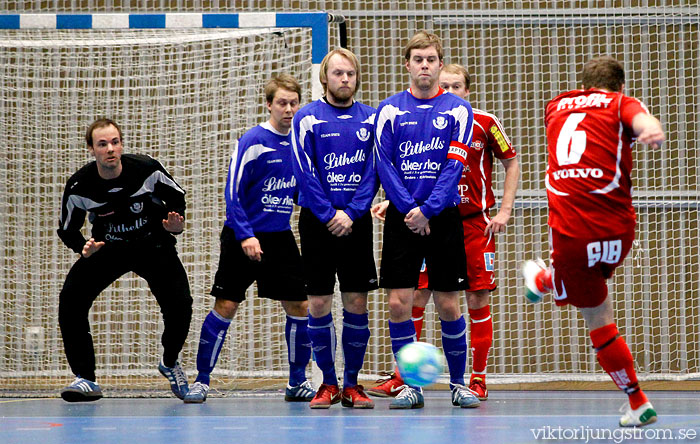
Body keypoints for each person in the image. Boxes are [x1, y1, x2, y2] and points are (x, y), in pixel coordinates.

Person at [522, 56, 664, 427]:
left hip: (572, 233)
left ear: (584, 86)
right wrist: (648, 128)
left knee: (598, 317)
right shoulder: (620, 103)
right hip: (620, 231)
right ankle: (548, 280)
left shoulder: (555, 107)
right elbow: (639, 119)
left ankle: (637, 400)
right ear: (620, 87)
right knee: (589, 281)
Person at [369, 64, 519, 402]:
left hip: (469, 222)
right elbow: (405, 165)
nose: (449, 90)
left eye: (456, 86)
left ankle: (474, 378)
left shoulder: (483, 122)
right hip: (420, 218)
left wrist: (505, 209)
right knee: (414, 297)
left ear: (467, 90)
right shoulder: (415, 116)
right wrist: (391, 203)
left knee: (471, 298)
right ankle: (406, 377)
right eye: (445, 85)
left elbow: (511, 160)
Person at [183, 75, 315, 404]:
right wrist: (245, 235)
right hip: (243, 235)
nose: (288, 109)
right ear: (269, 104)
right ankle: (201, 379)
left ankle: (297, 381)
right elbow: (233, 192)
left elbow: (300, 192)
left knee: (300, 305)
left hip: (280, 236)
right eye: (282, 103)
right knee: (226, 305)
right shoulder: (253, 141)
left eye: (293, 103)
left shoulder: (299, 145)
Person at [373, 31, 480, 409]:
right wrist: (409, 210)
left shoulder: (456, 109)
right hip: (403, 218)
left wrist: (429, 210)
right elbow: (384, 166)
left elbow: (455, 164)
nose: (424, 65)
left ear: (439, 64)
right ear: (407, 64)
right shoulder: (389, 110)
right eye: (418, 58)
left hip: (443, 217)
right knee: (399, 303)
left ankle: (457, 383)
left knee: (449, 304)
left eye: (431, 59)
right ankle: (410, 386)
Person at [57, 118, 193, 402]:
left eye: (115, 142)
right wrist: (83, 247)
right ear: (92, 150)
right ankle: (85, 378)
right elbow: (67, 229)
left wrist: (175, 225)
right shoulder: (80, 186)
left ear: (122, 144)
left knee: (180, 304)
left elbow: (177, 197)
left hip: (153, 245)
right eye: (103, 144)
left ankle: (169, 362)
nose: (110, 149)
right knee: (71, 300)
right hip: (108, 248)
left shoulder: (146, 169)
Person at [291, 48, 378, 409]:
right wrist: (329, 214)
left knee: (357, 301)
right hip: (317, 222)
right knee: (318, 302)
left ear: (357, 78)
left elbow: (376, 171)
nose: (345, 79)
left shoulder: (373, 119)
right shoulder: (307, 118)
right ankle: (327, 383)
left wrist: (353, 212)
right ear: (324, 77)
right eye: (338, 73)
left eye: (351, 74)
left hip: (356, 222)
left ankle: (353, 385)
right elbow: (303, 172)